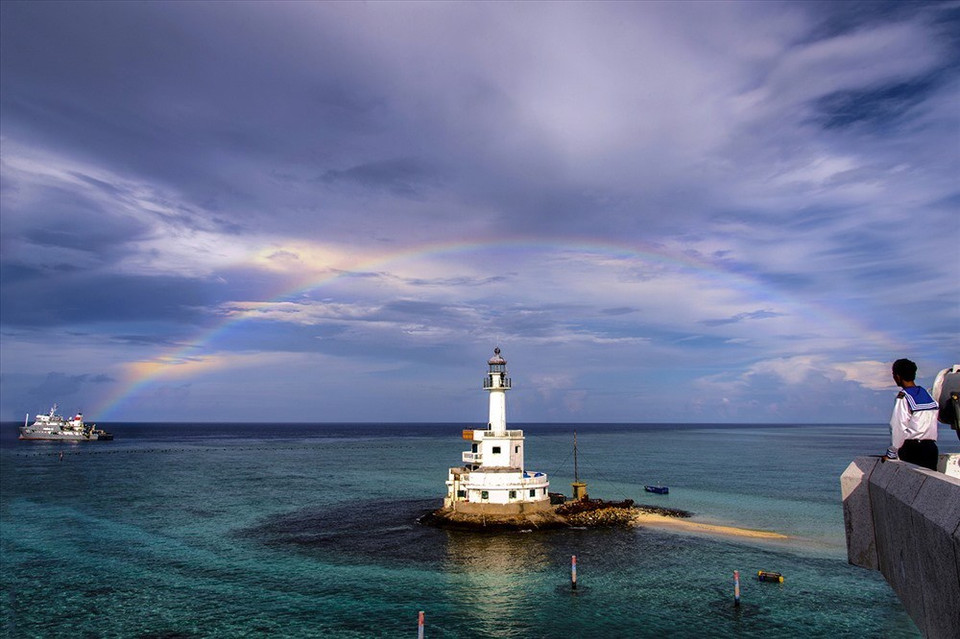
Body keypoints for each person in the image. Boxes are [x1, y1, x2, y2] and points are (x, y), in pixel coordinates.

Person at [887, 358, 939, 470]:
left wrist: (892, 452)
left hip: (913, 449)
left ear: (898, 376)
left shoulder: (904, 396)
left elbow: (898, 426)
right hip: (931, 448)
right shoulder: (928, 395)